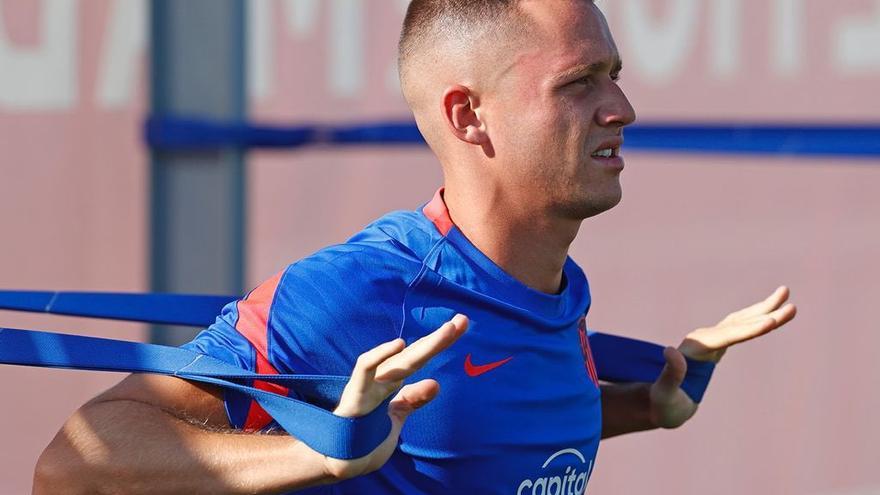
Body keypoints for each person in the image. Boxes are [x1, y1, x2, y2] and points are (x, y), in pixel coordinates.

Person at [33, 1, 797, 494]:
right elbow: (70, 466)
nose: (621, 109)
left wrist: (647, 406)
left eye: (616, 77)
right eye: (579, 84)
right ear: (469, 116)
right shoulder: (358, 292)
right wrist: (317, 453)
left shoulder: (554, 287)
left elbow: (472, 424)